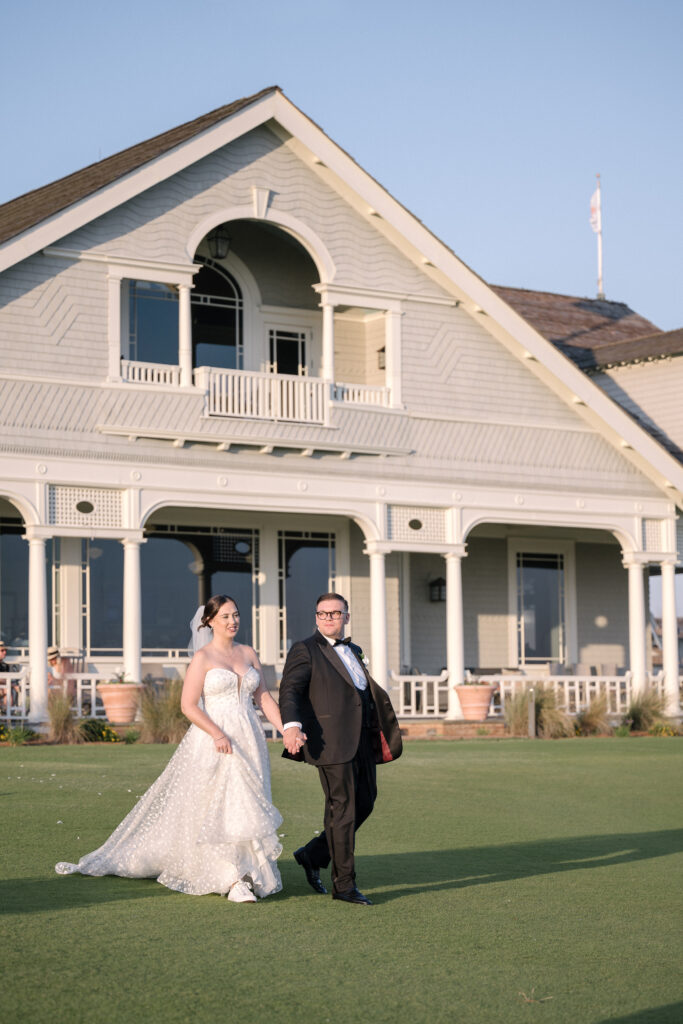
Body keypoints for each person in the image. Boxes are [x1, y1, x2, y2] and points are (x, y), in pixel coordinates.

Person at [55, 595, 284, 903]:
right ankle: (231, 878)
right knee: (218, 806)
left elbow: (264, 698)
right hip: (214, 739)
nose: (233, 621)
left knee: (246, 804)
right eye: (226, 616)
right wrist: (217, 733)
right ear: (210, 622)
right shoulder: (203, 657)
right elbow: (188, 706)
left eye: (236, 615)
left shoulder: (248, 653)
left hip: (250, 739)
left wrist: (288, 729)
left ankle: (251, 870)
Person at [279, 592, 402, 906]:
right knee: (343, 810)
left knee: (366, 802)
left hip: (363, 739)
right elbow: (290, 690)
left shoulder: (354, 649)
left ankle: (313, 854)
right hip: (330, 742)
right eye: (323, 614)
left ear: (346, 616)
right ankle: (344, 886)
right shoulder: (304, 649)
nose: (329, 618)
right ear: (316, 617)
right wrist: (291, 725)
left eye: (335, 613)